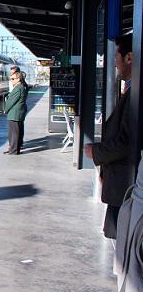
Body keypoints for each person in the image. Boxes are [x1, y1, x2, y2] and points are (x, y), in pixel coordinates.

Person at [85, 33, 135, 239]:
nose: (114, 64)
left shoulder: (136, 94)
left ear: (129, 58)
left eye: (116, 58)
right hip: (122, 185)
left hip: (126, 188)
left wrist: (95, 152)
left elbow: (126, 143)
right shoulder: (132, 91)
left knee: (123, 246)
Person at [3, 71, 27, 155]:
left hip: (14, 114)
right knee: (17, 132)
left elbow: (10, 101)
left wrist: (5, 110)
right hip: (18, 113)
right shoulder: (21, 87)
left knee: (13, 133)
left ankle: (13, 150)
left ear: (18, 79)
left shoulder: (18, 88)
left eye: (13, 79)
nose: (11, 80)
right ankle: (15, 148)